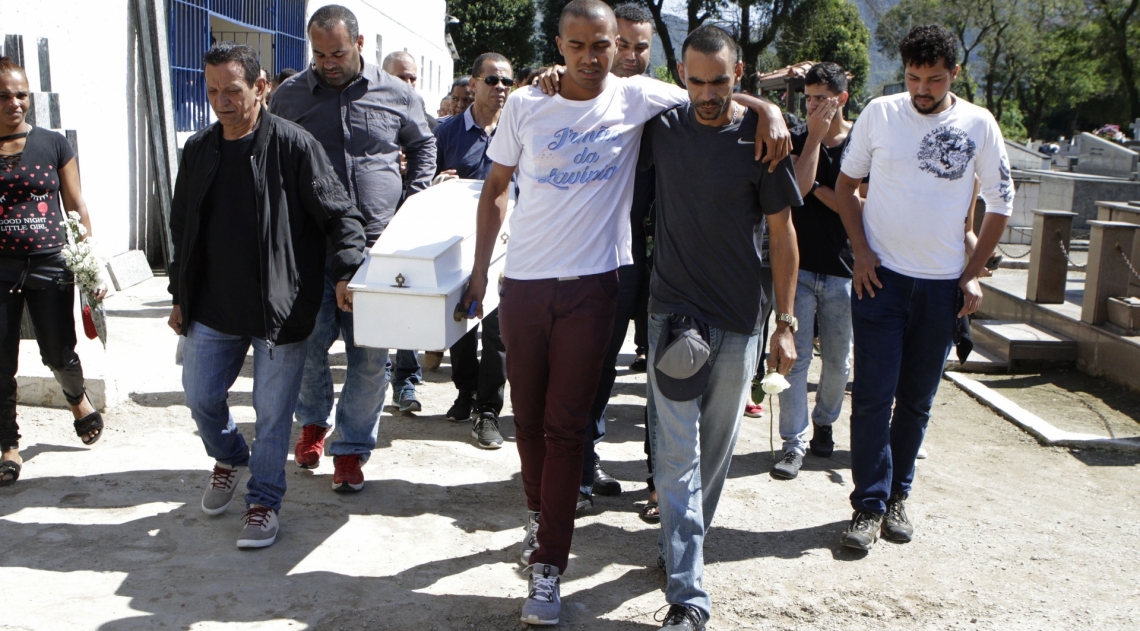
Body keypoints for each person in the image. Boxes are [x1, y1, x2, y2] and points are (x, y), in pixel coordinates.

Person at [460, 1, 790, 624]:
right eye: (577, 45)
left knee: (566, 426)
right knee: (526, 419)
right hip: (525, 286)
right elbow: (497, 187)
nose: (590, 57)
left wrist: (767, 107)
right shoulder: (528, 103)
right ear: (558, 46)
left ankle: (548, 567)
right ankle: (539, 514)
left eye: (602, 45)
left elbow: (712, 91)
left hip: (594, 287)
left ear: (620, 46)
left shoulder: (638, 97)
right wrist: (481, 271)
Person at [168, 42, 366, 548]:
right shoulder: (199, 149)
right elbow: (182, 225)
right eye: (212, 90)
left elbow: (340, 215)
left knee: (274, 414)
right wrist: (179, 293)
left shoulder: (295, 146)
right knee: (201, 397)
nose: (220, 101)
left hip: (280, 308)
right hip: (213, 306)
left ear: (260, 88)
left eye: (232, 90)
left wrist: (346, 272)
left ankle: (263, 502)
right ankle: (231, 455)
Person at [641, 25, 801, 630]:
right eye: (696, 80)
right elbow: (605, 88)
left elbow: (783, 234)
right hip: (672, 315)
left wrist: (784, 323)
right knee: (677, 451)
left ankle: (684, 550)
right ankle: (689, 594)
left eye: (721, 81)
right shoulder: (662, 126)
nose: (707, 94)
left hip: (740, 320)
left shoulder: (762, 141)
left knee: (714, 450)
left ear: (739, 75)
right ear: (679, 74)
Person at [834, 24, 1013, 550]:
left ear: (954, 74)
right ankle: (867, 504)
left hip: (941, 289)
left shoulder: (979, 124)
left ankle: (897, 498)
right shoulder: (880, 114)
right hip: (880, 281)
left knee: (916, 401)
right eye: (914, 77)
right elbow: (846, 187)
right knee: (871, 397)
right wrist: (862, 252)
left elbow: (1002, 202)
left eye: (934, 79)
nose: (922, 89)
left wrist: (972, 271)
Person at [270, 5, 436, 492]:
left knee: (369, 356)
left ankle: (351, 448)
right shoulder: (291, 95)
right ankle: (314, 422)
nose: (328, 62)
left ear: (360, 45)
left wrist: (415, 198)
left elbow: (423, 143)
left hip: (378, 248)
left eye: (338, 52)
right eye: (319, 54)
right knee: (306, 345)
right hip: (312, 249)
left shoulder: (396, 92)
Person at [0, 56, 107, 487]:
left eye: (21, 94)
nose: (15, 102)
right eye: (4, 95)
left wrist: (89, 263)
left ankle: (77, 398)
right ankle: (8, 444)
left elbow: (77, 204)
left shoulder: (53, 144)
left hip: (50, 263)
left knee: (58, 350)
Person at [578, 1, 658, 516]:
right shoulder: (585, 97)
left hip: (667, 264)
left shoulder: (668, 103)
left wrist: (763, 107)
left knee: (668, 378)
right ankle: (582, 474)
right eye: (620, 44)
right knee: (594, 370)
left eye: (639, 46)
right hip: (606, 258)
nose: (629, 55)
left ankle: (659, 481)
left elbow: (714, 92)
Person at [772, 62, 862, 480]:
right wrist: (834, 188)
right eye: (808, 99)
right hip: (802, 268)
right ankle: (794, 442)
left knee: (839, 362)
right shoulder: (801, 138)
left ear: (841, 98)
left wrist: (835, 193)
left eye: (821, 99)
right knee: (797, 358)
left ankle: (825, 421)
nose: (813, 107)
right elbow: (799, 190)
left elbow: (863, 200)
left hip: (845, 269)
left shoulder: (860, 142)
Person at [434, 53, 513, 449]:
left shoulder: (517, 130)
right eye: (492, 80)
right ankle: (465, 393)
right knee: (461, 325)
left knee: (497, 331)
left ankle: (488, 411)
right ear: (473, 84)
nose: (500, 88)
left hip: (504, 246)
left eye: (507, 83)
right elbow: (422, 183)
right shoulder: (446, 133)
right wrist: (436, 181)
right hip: (458, 246)